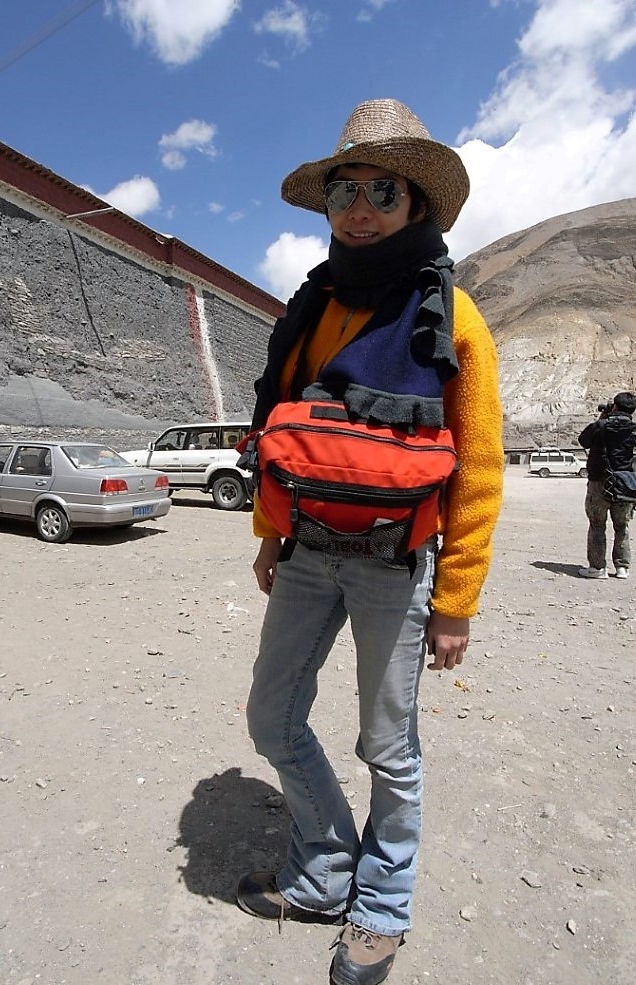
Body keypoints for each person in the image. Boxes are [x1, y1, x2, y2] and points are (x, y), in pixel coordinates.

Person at [235, 98, 504, 985]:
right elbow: (286, 431)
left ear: (413, 205)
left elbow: (479, 467)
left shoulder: (452, 315)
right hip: (307, 552)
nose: (358, 206)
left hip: (397, 564)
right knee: (272, 716)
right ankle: (323, 871)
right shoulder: (311, 307)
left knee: (387, 748)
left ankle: (381, 906)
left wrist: (455, 598)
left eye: (380, 191)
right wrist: (271, 532)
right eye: (344, 188)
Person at [577, 391, 636, 579]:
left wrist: (602, 418)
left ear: (615, 406)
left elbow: (583, 441)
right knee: (622, 526)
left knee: (597, 525)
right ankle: (622, 567)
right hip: (625, 483)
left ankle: (597, 567)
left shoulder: (601, 426)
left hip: (599, 482)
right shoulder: (634, 429)